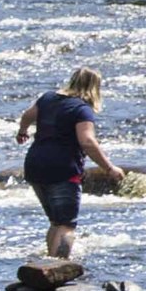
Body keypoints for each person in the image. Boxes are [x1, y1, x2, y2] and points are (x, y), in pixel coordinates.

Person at [14, 69, 121, 260]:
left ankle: (47, 266)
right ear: (94, 88)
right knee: (66, 225)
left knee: (56, 221)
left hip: (35, 164)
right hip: (62, 168)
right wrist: (109, 168)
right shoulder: (82, 109)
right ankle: (58, 266)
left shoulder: (47, 98)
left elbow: (27, 115)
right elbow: (87, 141)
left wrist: (23, 131)